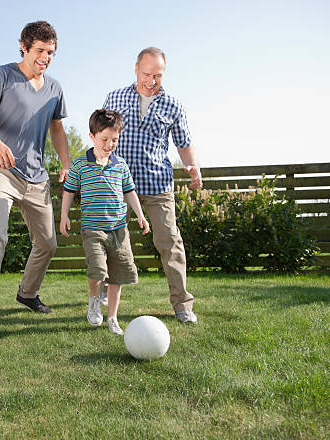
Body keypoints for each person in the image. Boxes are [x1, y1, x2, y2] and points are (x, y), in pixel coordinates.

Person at [0, 21, 70, 344]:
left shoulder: (54, 88)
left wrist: (67, 163)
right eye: (39, 50)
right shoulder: (2, 76)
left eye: (50, 52)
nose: (45, 57)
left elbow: (56, 129)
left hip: (37, 178)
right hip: (1, 172)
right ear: (24, 47)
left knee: (48, 244)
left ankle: (27, 293)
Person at [103, 47, 202, 324]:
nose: (151, 80)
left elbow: (184, 143)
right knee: (109, 240)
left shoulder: (173, 104)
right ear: (136, 69)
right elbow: (103, 135)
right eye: (146, 73)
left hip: (157, 184)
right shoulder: (115, 97)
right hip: (118, 185)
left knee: (171, 243)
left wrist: (192, 166)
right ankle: (102, 289)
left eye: (157, 75)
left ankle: (182, 305)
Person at [60, 109, 150, 335]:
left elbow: (129, 192)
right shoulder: (81, 165)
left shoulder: (121, 165)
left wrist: (140, 214)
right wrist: (64, 216)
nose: (110, 144)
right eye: (104, 139)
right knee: (98, 270)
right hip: (92, 228)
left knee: (118, 275)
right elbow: (69, 192)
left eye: (114, 140)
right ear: (92, 136)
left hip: (119, 229)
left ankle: (112, 317)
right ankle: (94, 300)